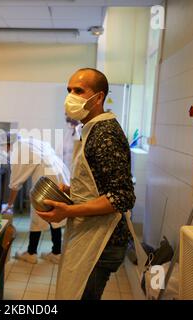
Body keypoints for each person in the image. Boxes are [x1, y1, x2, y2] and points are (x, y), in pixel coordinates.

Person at [36, 68, 136, 300]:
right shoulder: (92, 129)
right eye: (69, 90)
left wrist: (68, 210)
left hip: (102, 239)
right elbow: (101, 183)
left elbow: (122, 197)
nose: (71, 96)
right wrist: (73, 190)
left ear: (99, 97)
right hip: (91, 233)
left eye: (79, 90)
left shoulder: (105, 134)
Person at [0, 133, 70, 264]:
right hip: (58, 174)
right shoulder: (29, 142)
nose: (5, 150)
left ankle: (31, 253)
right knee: (55, 215)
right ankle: (56, 253)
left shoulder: (18, 151)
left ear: (9, 144)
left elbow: (15, 184)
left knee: (38, 214)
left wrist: (9, 205)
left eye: (4, 147)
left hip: (46, 180)